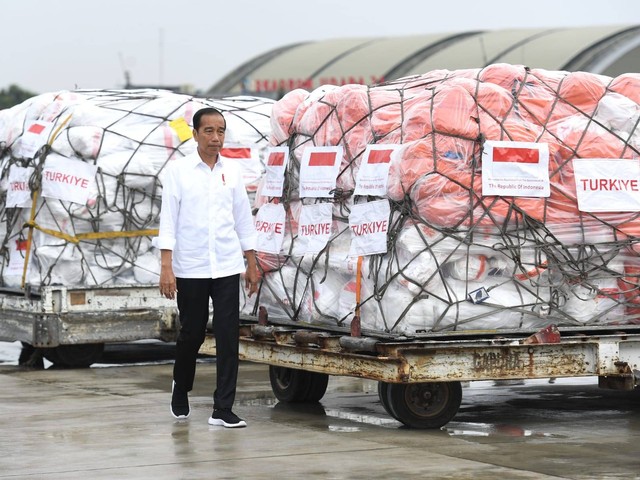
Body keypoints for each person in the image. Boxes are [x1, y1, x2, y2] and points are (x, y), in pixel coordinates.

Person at [155, 107, 259, 428]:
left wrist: (251, 261)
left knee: (229, 336)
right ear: (196, 134)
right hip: (192, 267)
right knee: (193, 333)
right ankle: (181, 384)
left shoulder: (233, 171)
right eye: (209, 131)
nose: (216, 138)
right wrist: (166, 266)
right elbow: (168, 219)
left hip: (227, 264)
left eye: (221, 131)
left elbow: (242, 216)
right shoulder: (179, 172)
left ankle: (222, 408)